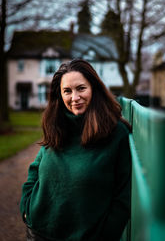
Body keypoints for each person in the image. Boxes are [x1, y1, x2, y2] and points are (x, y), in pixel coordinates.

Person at [20, 58, 132, 241]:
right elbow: (35, 169)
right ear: (60, 94)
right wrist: (26, 207)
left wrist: (106, 235)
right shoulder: (56, 124)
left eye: (81, 88)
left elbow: (123, 195)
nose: (74, 97)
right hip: (38, 233)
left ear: (94, 88)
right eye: (67, 91)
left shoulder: (116, 133)